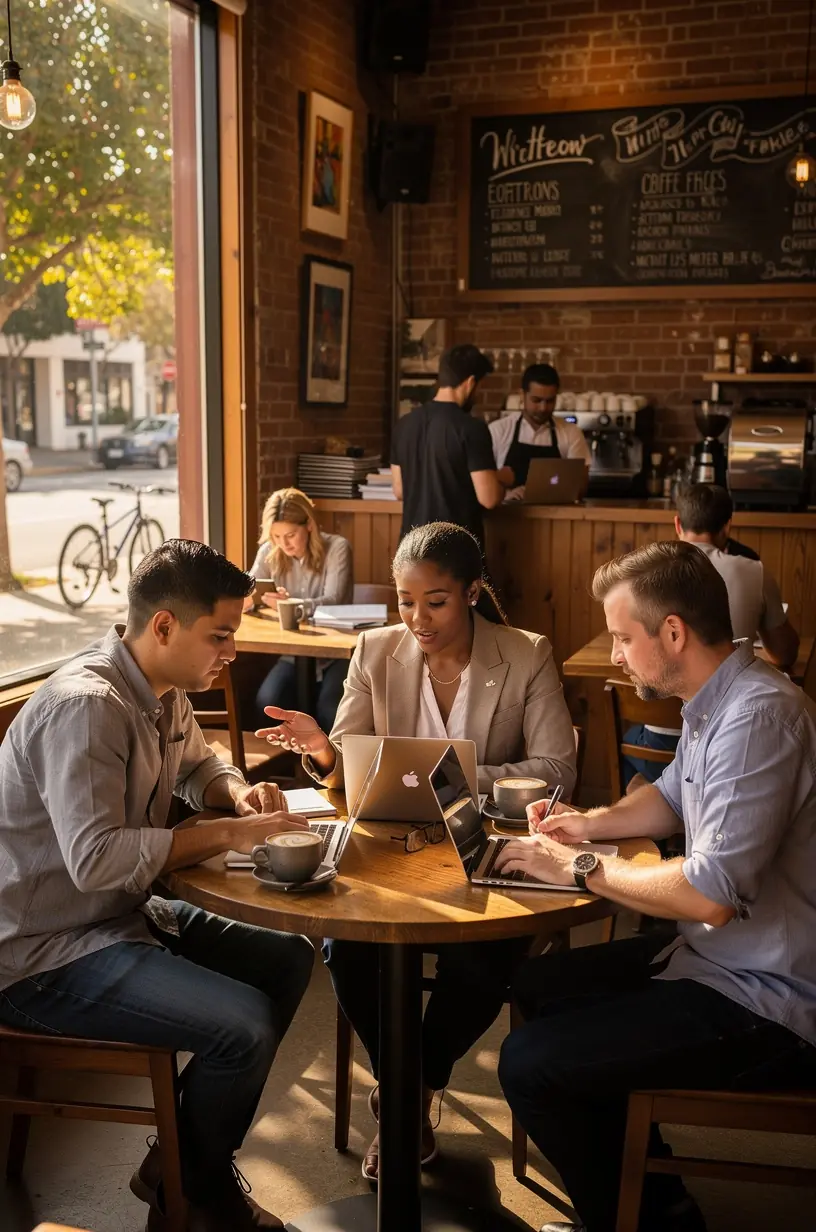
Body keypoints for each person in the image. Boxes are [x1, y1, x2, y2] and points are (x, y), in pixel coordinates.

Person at [495, 540, 816, 1232]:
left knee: (529, 1063)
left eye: (621, 637)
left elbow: (710, 894)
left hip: (772, 997)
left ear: (672, 631)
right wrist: (586, 826)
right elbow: (669, 799)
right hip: (717, 960)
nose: (615, 655)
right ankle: (653, 1202)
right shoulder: (713, 697)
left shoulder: (760, 713)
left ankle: (644, 1225)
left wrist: (581, 868)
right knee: (538, 987)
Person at [0, 540, 316, 1232]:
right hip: (40, 954)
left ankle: (181, 1175)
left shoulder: (162, 689)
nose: (231, 651)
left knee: (290, 958)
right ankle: (194, 1193)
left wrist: (236, 797)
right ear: (165, 626)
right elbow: (96, 861)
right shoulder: (87, 707)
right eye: (222, 635)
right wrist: (227, 837)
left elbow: (201, 768)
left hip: (116, 918)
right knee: (244, 1026)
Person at [256, 521, 577, 1182]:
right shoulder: (376, 651)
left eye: (435, 600)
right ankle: (412, 1095)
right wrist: (322, 750)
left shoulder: (525, 652)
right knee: (348, 945)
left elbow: (555, 766)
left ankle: (410, 1091)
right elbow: (345, 761)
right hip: (392, 844)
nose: (417, 618)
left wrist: (453, 776)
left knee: (486, 955)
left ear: (473, 592)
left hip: (488, 845)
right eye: (405, 600)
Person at [624, 484, 801, 786]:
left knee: (630, 745)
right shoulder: (753, 571)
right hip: (730, 733)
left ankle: (646, 824)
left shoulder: (646, 581)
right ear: (727, 526)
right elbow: (785, 654)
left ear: (677, 523)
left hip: (664, 738)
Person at [247, 487, 353, 730]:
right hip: (293, 655)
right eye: (276, 536)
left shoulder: (337, 548)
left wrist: (290, 605)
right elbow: (248, 591)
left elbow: (335, 601)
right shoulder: (269, 551)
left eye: (290, 535)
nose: (283, 543)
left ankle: (328, 767)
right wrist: (250, 599)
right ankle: (289, 766)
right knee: (267, 703)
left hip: (335, 655)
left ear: (309, 525)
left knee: (330, 713)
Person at [391, 344, 506, 548]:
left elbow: (399, 490)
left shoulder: (404, 425)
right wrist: (502, 481)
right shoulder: (471, 428)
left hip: (410, 553)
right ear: (470, 383)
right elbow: (489, 498)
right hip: (455, 552)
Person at [489, 362, 591, 498]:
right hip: (508, 516)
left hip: (556, 516)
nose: (543, 408)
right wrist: (506, 493)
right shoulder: (498, 430)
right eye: (536, 400)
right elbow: (480, 484)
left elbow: (581, 485)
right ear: (521, 395)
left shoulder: (571, 433)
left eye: (550, 401)